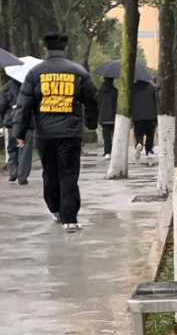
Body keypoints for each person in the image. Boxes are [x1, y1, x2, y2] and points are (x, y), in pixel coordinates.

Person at [13, 32, 98, 232]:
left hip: (45, 134)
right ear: (66, 49)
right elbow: (92, 100)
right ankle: (70, 219)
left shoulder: (35, 73)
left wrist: (19, 131)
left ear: (46, 49)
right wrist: (92, 124)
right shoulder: (78, 72)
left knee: (50, 173)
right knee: (68, 175)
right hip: (70, 133)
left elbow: (24, 104)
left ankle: (55, 210)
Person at [0, 75, 33, 184]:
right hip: (27, 123)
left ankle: (13, 171)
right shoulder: (31, 85)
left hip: (11, 122)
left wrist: (2, 122)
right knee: (25, 150)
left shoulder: (7, 87)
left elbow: (2, 106)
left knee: (12, 147)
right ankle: (22, 176)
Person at [131, 79, 157, 161]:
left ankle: (139, 143)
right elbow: (156, 101)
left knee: (138, 133)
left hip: (137, 115)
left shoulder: (133, 88)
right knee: (150, 134)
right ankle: (149, 151)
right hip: (150, 115)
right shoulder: (152, 88)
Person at [97, 76, 117, 160]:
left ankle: (107, 152)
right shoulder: (115, 91)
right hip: (114, 117)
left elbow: (97, 102)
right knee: (115, 136)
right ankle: (115, 151)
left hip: (104, 117)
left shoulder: (100, 91)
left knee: (106, 136)